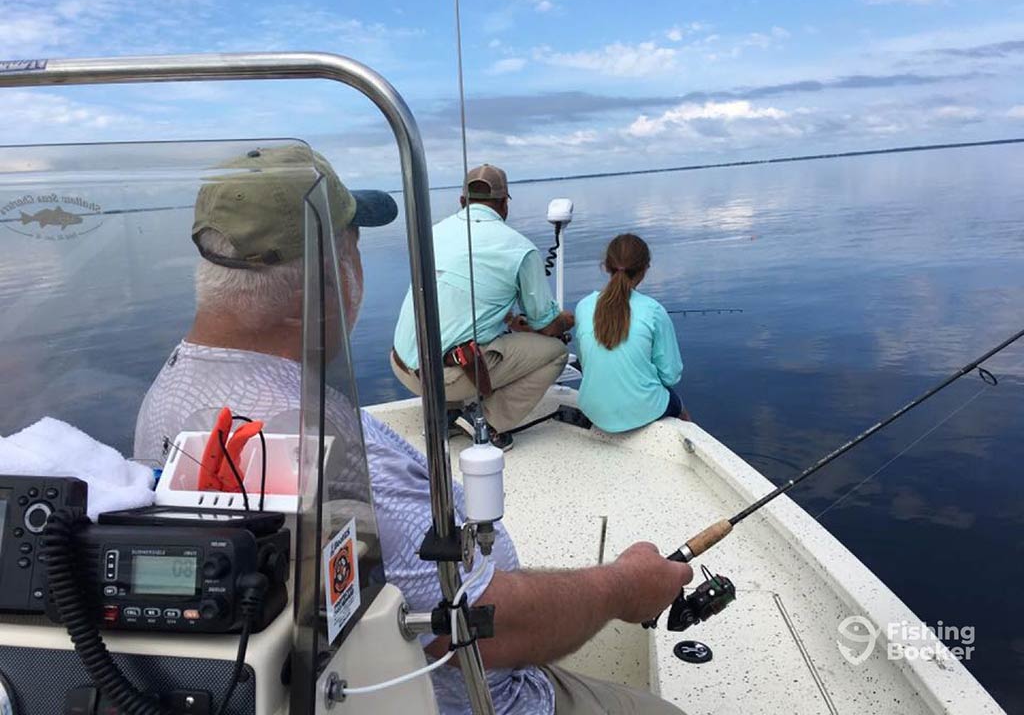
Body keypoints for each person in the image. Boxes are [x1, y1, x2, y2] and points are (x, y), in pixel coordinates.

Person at [134, 147, 693, 715]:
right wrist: (624, 585)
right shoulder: (344, 458)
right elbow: (482, 628)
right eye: (353, 248)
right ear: (332, 274)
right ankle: (492, 422)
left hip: (413, 368)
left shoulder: (167, 397)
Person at [391, 164, 575, 450]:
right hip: (447, 377)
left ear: (462, 201)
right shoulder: (520, 249)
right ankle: (488, 423)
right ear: (504, 205)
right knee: (557, 353)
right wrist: (566, 320)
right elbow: (546, 324)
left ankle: (447, 412)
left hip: (402, 365)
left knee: (457, 335)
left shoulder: (432, 233)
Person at [574, 234, 690, 433]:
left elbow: (586, 363)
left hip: (592, 409)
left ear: (606, 266)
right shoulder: (654, 311)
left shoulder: (583, 306)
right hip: (643, 410)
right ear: (645, 269)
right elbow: (670, 376)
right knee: (680, 408)